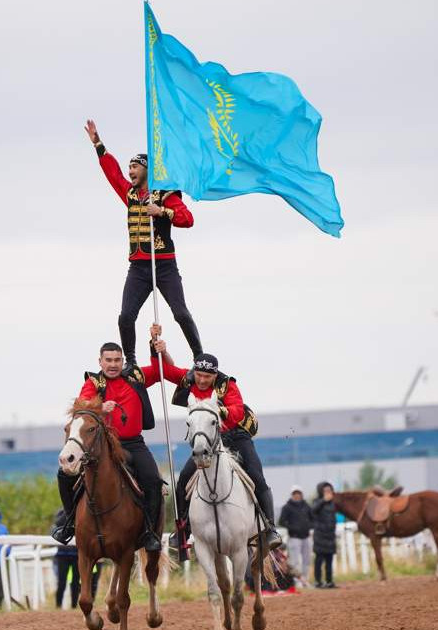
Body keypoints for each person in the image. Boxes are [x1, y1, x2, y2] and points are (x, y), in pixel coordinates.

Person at [151, 330, 282, 551]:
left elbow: (238, 411)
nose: (202, 380)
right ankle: (183, 531)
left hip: (234, 436)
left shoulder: (227, 385)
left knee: (256, 474)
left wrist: (217, 409)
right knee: (183, 479)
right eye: (199, 375)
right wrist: (158, 349)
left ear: (215, 376)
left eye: (207, 377)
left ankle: (270, 528)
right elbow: (166, 371)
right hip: (206, 441)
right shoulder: (190, 378)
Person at [85, 119, 201, 366]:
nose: (130, 172)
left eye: (135, 167)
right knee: (126, 316)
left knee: (180, 313)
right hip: (139, 267)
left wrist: (161, 212)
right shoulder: (129, 194)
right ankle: (132, 363)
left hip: (164, 265)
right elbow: (113, 174)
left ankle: (198, 356)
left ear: (147, 169)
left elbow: (187, 219)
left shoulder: (165, 193)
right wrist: (99, 146)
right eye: (129, 168)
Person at [51, 340, 170, 552]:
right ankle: (69, 523)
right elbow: (82, 405)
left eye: (117, 360)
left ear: (123, 361)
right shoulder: (93, 383)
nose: (113, 364)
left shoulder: (136, 376)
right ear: (100, 361)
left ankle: (150, 532)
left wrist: (160, 349)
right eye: (108, 360)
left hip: (133, 443)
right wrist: (100, 408)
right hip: (102, 446)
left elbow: (163, 369)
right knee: (64, 475)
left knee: (153, 480)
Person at [51, 508, 101, 608]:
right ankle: (58, 605)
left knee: (75, 582)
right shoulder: (62, 513)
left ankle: (74, 606)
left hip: (76, 555)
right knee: (62, 582)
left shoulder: (83, 511)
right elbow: (56, 526)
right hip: (62, 555)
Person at [278, 486, 313, 587]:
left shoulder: (306, 506)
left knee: (307, 560)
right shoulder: (287, 507)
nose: (297, 495)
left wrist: (310, 527)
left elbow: (313, 518)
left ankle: (305, 580)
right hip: (294, 538)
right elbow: (281, 521)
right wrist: (292, 527)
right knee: (295, 561)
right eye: (295, 493)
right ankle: (297, 582)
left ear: (301, 494)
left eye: (299, 493)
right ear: (292, 495)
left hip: (306, 537)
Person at [310, 482, 337, 589]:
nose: (328, 493)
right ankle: (318, 581)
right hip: (320, 535)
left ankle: (329, 581)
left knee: (329, 560)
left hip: (330, 535)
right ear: (321, 491)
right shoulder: (317, 501)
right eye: (326, 491)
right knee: (319, 560)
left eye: (329, 491)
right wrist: (323, 501)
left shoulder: (333, 503)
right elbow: (313, 510)